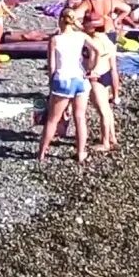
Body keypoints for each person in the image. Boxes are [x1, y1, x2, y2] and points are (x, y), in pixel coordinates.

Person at [38, 9, 97, 163]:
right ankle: (80, 153)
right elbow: (96, 50)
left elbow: (51, 65)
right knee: (80, 117)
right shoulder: (81, 36)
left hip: (63, 79)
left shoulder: (55, 39)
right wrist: (91, 67)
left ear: (60, 20)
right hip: (79, 78)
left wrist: (51, 83)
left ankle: (42, 152)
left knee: (53, 119)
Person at [85, 18, 119, 152]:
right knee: (107, 110)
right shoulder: (109, 40)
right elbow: (113, 66)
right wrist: (116, 92)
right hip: (106, 75)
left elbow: (93, 60)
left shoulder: (93, 42)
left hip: (96, 76)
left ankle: (105, 142)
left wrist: (89, 71)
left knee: (103, 112)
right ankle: (112, 137)